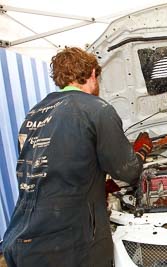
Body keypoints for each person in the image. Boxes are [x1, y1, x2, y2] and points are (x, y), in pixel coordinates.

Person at [2, 47, 152, 267]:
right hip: (71, 243)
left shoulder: (34, 113)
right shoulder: (97, 109)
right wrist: (142, 151)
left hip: (22, 237)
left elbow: (46, 165)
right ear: (92, 73)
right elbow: (128, 171)